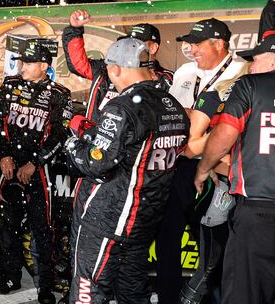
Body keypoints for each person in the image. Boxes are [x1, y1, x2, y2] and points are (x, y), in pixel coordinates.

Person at [64, 38, 190, 303]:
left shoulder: (123, 106)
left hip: (107, 220)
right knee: (132, 293)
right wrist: (93, 135)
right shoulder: (173, 106)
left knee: (88, 293)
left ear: (116, 69)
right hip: (142, 221)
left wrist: (72, 142)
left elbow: (95, 163)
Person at [156, 17, 243, 303]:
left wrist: (210, 143)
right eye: (189, 44)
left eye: (197, 44)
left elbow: (231, 130)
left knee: (216, 245)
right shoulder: (184, 72)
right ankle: (169, 298)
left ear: (218, 44)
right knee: (168, 237)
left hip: (219, 169)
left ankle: (212, 297)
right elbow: (174, 119)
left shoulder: (243, 70)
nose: (191, 50)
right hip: (180, 165)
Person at [194, 34, 275, 304]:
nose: (251, 66)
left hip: (258, 210)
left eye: (255, 60)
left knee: (245, 292)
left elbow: (224, 135)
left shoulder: (251, 86)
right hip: (262, 208)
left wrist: (204, 168)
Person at [0, 42, 72, 303]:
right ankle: (10, 277)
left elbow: (60, 134)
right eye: (20, 62)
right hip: (9, 166)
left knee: (42, 229)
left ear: (45, 66)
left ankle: (46, 287)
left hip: (39, 170)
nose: (21, 67)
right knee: (7, 227)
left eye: (27, 63)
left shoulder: (60, 93)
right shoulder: (10, 85)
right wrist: (4, 154)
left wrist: (34, 163)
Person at [179, 62, 249, 304]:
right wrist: (219, 142)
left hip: (252, 196)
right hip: (222, 193)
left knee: (235, 267)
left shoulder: (262, 98)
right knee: (210, 266)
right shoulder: (215, 95)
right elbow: (188, 149)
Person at [62, 9, 173, 123]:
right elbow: (78, 65)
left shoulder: (166, 79)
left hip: (132, 139)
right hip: (94, 138)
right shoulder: (107, 68)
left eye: (136, 44)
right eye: (128, 43)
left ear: (153, 48)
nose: (130, 47)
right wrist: (74, 30)